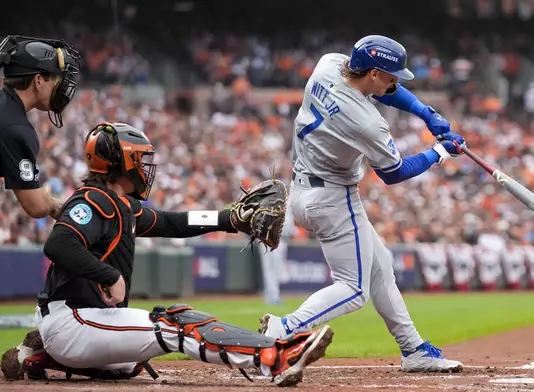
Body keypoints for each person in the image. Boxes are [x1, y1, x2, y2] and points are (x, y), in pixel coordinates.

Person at [0, 122, 333, 387]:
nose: (145, 168)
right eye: (140, 160)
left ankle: (37, 354)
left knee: (128, 364)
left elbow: (174, 222)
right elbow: (58, 244)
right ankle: (275, 357)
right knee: (173, 324)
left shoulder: (120, 206)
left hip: (81, 324)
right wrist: (110, 276)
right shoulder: (93, 201)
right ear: (122, 163)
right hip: (73, 319)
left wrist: (229, 219)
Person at [258, 35, 465, 372]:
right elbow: (394, 172)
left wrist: (425, 113)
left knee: (381, 268)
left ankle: (414, 350)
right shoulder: (367, 121)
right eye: (389, 76)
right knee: (354, 290)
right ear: (371, 74)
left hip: (304, 189)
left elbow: (385, 89)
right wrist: (439, 152)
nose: (395, 82)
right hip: (333, 198)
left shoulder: (328, 64)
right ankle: (285, 330)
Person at [0, 35, 81, 219]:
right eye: (56, 79)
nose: (61, 86)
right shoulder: (15, 127)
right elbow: (35, 206)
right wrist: (81, 212)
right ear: (39, 80)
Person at [261, 207, 295, 305]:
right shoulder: (271, 204)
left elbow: (289, 228)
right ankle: (272, 297)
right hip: (270, 239)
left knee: (275, 271)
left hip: (281, 240)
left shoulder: (287, 205)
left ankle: (273, 296)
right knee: (270, 270)